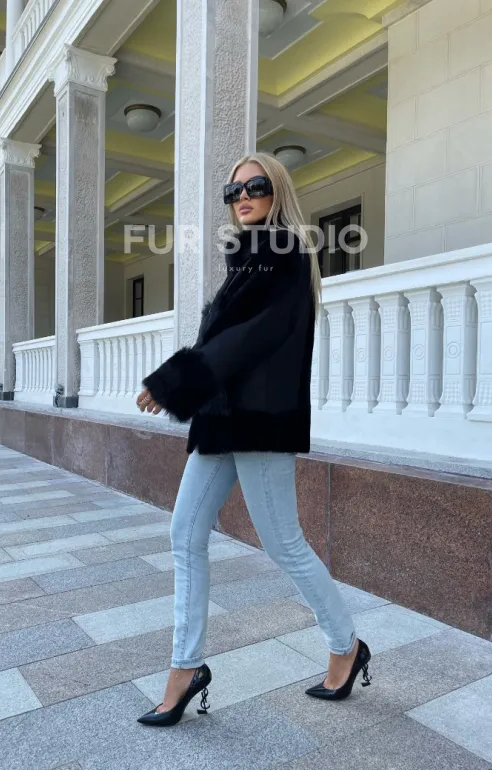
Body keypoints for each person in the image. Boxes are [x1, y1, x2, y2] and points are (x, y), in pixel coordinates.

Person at [135, 153, 371, 727]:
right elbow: (228, 336)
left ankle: (345, 646)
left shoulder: (284, 254)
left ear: (276, 191)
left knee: (283, 542)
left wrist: (175, 382)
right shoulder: (249, 258)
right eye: (233, 190)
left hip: (261, 419)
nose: (242, 197)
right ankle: (185, 667)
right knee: (185, 531)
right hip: (223, 419)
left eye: (255, 186)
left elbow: (248, 338)